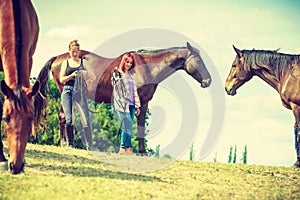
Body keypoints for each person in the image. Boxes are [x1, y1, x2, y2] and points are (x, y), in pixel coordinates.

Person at [60, 39, 96, 150]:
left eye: (76, 51)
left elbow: (93, 77)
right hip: (68, 91)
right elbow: (62, 79)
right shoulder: (65, 63)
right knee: (70, 119)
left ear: (79, 51)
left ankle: (89, 145)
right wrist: (72, 75)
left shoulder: (83, 62)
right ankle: (70, 143)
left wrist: (86, 73)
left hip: (80, 91)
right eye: (72, 51)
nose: (75, 53)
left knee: (86, 118)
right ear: (69, 51)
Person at [111, 52, 141, 155]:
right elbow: (114, 84)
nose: (128, 64)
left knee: (129, 125)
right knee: (126, 123)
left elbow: (134, 91)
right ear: (123, 61)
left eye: (130, 63)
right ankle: (123, 148)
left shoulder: (131, 75)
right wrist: (115, 78)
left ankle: (128, 149)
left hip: (132, 105)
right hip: (122, 104)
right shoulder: (118, 73)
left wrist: (137, 106)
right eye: (127, 62)